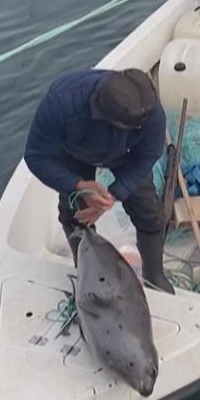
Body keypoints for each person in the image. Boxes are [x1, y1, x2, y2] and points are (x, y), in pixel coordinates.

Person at [24, 68, 174, 294]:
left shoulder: (150, 112)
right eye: (134, 126)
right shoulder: (61, 103)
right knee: (75, 215)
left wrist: (114, 193)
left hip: (127, 156)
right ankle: (86, 272)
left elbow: (148, 156)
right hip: (74, 154)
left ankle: (154, 276)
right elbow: (36, 156)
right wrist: (78, 186)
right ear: (109, 118)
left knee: (150, 213)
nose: (143, 126)